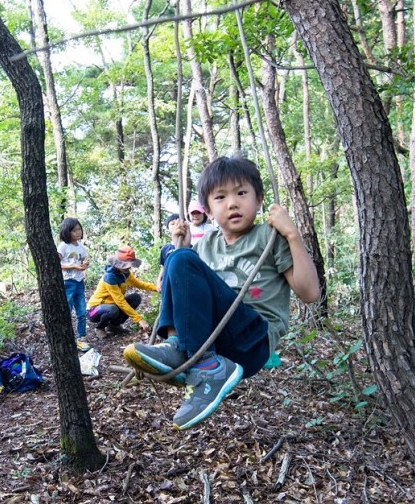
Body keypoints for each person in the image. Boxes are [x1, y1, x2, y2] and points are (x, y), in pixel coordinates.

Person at [124, 155, 320, 430]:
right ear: (208, 209)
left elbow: (310, 293)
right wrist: (180, 247)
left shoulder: (269, 237)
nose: (232, 203)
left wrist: (292, 235)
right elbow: (186, 293)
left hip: (253, 340)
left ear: (259, 199)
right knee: (177, 257)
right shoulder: (206, 246)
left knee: (180, 258)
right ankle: (180, 348)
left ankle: (206, 368)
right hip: (217, 343)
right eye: (220, 197)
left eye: (242, 193)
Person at [87, 246, 157, 338]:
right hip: (94, 310)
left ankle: (114, 326)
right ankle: (100, 327)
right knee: (113, 309)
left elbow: (139, 284)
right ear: (118, 264)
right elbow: (120, 301)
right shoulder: (110, 277)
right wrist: (139, 320)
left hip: (113, 305)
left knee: (135, 298)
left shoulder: (125, 273)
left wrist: (157, 288)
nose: (128, 268)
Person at [57, 217, 91, 352]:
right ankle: (66, 338)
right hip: (67, 282)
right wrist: (73, 267)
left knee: (82, 312)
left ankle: (82, 338)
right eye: (74, 230)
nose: (78, 232)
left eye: (79, 229)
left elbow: (82, 261)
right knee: (67, 310)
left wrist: (84, 265)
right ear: (67, 231)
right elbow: (57, 264)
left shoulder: (81, 247)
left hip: (79, 282)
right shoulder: (63, 246)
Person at [157, 213, 180, 286]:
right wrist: (159, 280)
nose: (175, 225)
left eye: (178, 223)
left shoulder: (189, 246)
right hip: (168, 282)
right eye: (172, 224)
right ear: (167, 228)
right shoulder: (165, 248)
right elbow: (163, 267)